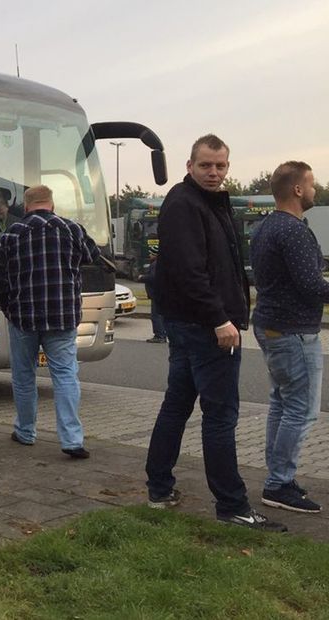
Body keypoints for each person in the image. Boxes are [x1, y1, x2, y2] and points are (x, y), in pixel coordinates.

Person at [144, 134, 286, 532]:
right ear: (190, 165)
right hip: (207, 328)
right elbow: (190, 272)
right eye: (206, 165)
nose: (214, 172)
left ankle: (159, 488)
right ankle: (232, 505)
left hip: (194, 325)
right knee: (221, 416)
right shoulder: (185, 205)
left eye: (221, 166)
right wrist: (219, 319)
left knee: (177, 405)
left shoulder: (206, 203)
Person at [0, 185, 98, 460]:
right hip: (62, 317)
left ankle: (26, 432)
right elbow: (93, 258)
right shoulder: (72, 229)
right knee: (65, 375)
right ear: (52, 204)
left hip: (23, 318)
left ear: (25, 207)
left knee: (23, 376)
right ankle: (72, 440)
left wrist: (10, 310)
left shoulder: (12, 233)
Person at [249, 161, 327, 514]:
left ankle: (278, 477)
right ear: (297, 189)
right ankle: (279, 484)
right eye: (311, 184)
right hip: (293, 331)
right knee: (301, 409)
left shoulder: (265, 227)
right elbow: (311, 286)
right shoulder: (294, 230)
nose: (315, 189)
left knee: (282, 403)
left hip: (271, 325)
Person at [142, 255, 167, 343]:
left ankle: (159, 335)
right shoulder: (162, 263)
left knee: (156, 316)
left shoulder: (155, 265)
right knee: (161, 315)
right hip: (161, 293)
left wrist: (142, 277)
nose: (149, 255)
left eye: (151, 254)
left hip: (156, 294)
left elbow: (153, 278)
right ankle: (162, 334)